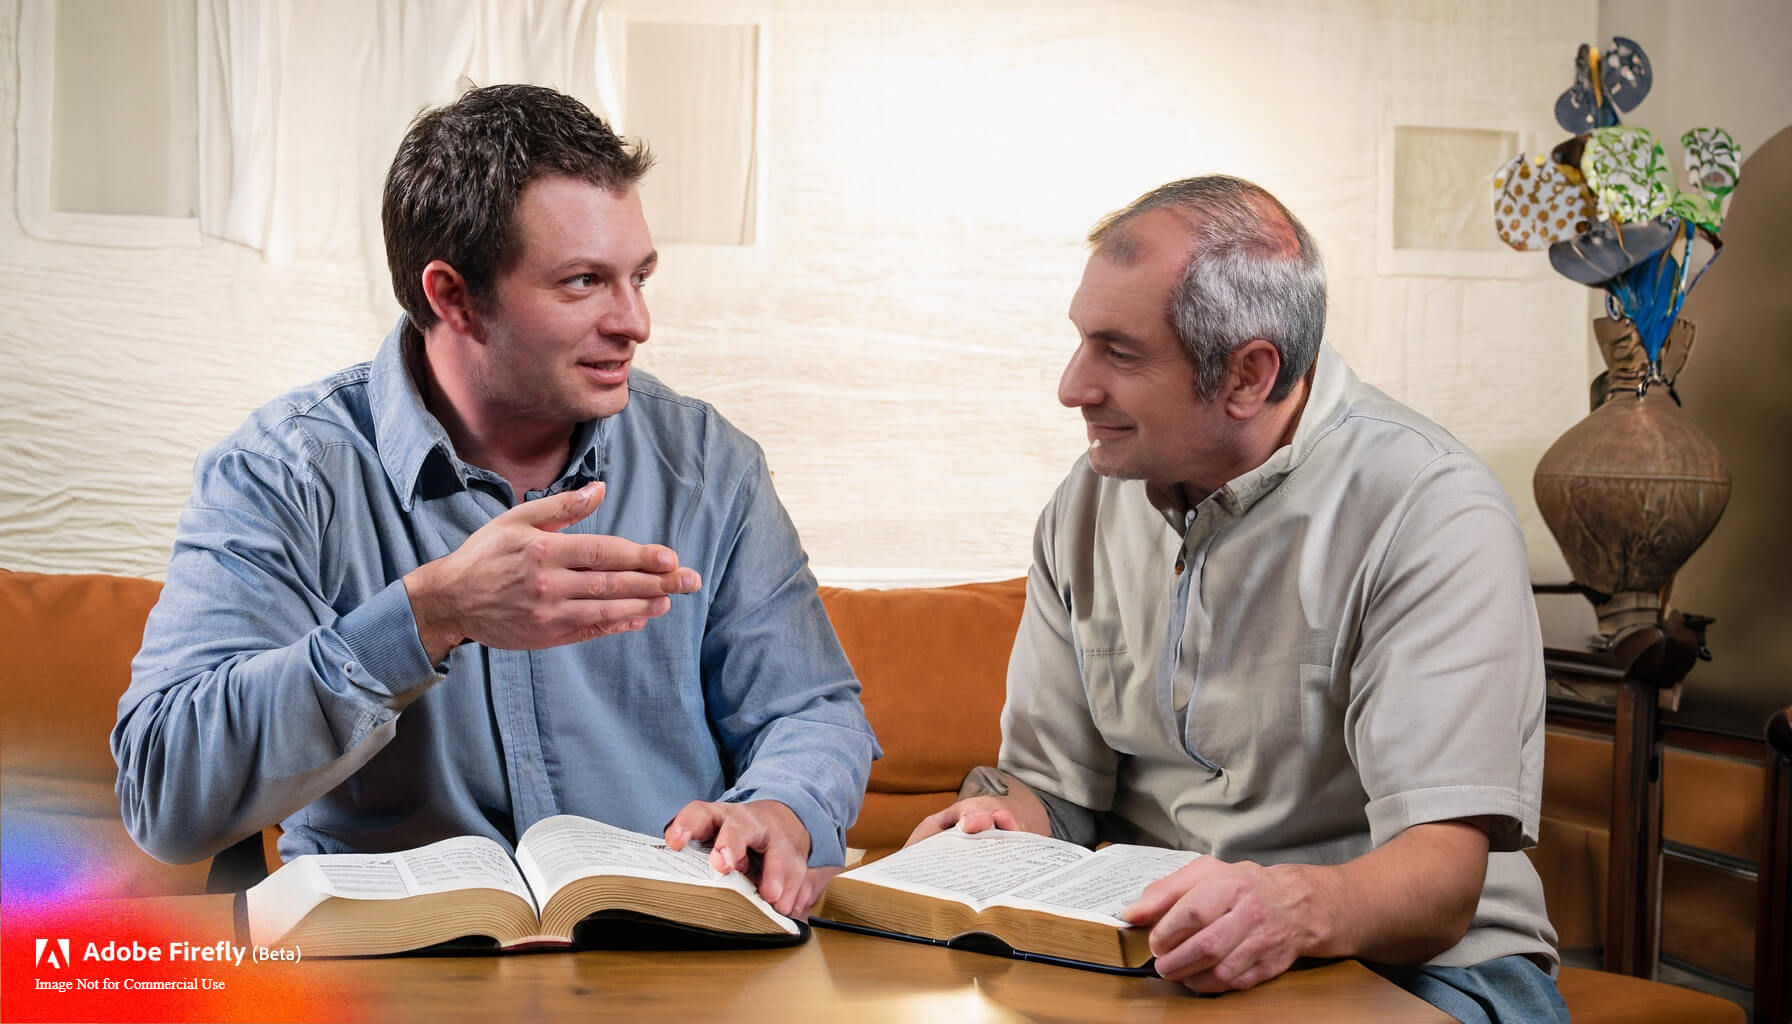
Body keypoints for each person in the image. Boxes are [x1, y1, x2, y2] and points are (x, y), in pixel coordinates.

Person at [114, 84, 877, 918]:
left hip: (665, 951)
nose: (636, 322)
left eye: (640, 276)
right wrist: (426, 616)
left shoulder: (708, 466)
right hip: (393, 971)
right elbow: (164, 795)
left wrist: (782, 807)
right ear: (452, 296)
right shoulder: (283, 473)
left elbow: (812, 710)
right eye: (584, 282)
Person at [911, 176, 1566, 1022]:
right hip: (1158, 953)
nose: (1073, 387)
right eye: (1081, 341)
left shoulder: (1431, 508)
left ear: (1248, 375)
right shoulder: (1087, 501)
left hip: (1424, 965)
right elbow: (1056, 791)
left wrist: (1291, 908)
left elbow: (1440, 881)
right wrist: (1001, 823)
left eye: (1119, 352)